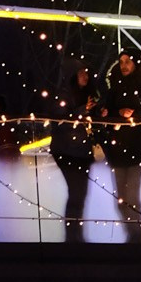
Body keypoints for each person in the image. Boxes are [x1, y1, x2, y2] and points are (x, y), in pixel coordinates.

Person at [99, 51, 141, 244]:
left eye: (127, 62)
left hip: (138, 145)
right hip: (118, 147)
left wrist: (134, 114)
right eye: (121, 62)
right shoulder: (116, 86)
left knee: (131, 196)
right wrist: (113, 112)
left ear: (135, 63)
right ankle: (134, 234)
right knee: (121, 198)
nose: (123, 65)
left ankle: (137, 237)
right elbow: (106, 109)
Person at [48, 62, 100, 242]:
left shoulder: (86, 94)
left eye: (87, 73)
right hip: (67, 151)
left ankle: (74, 233)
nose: (86, 76)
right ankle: (73, 235)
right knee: (77, 192)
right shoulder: (64, 95)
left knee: (79, 193)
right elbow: (61, 119)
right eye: (81, 73)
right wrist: (83, 110)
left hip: (82, 151)